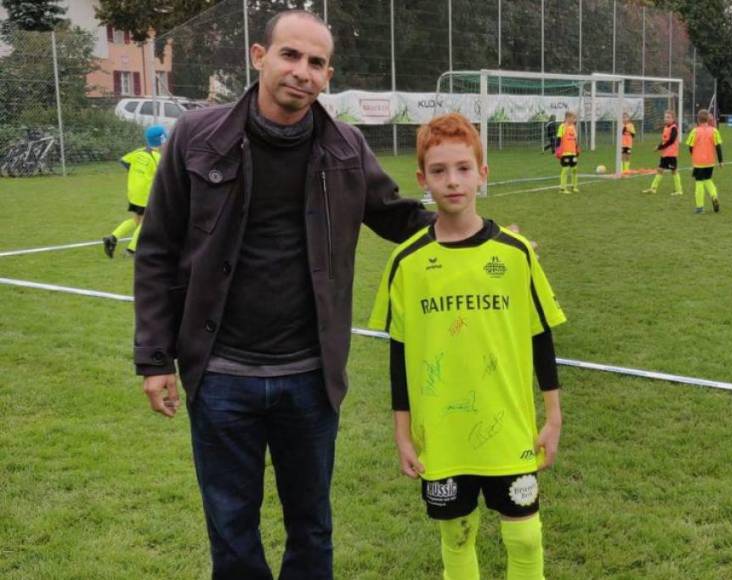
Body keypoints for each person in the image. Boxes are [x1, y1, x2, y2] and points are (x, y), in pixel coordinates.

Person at [133, 10, 438, 578]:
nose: (302, 71)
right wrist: (154, 358)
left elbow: (398, 217)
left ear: (328, 76)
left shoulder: (345, 147)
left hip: (310, 379)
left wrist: (479, 234)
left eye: (316, 63)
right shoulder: (196, 137)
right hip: (220, 375)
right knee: (231, 530)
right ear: (259, 56)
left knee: (312, 527)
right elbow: (156, 249)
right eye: (290, 55)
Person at [369, 112, 565, 580]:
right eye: (439, 171)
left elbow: (541, 336)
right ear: (422, 180)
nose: (452, 181)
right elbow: (399, 356)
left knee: (525, 536)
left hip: (509, 426)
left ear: (482, 174)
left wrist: (553, 416)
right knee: (457, 536)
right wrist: (402, 433)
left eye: (463, 168)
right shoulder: (406, 262)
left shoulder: (515, 254)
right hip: (442, 432)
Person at [102, 125, 166, 258]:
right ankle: (131, 250)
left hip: (133, 193)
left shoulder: (138, 151)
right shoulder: (158, 157)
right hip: (146, 195)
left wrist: (137, 174)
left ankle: (112, 237)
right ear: (162, 140)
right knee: (145, 222)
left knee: (137, 220)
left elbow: (123, 161)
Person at [686, 109, 723, 213]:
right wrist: (721, 161)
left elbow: (690, 146)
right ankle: (714, 196)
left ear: (698, 119)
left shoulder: (695, 131)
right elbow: (718, 147)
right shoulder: (714, 131)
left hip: (698, 162)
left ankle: (700, 207)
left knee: (699, 182)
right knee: (708, 179)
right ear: (708, 119)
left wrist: (693, 155)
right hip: (710, 161)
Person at [641, 110, 682, 196]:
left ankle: (679, 190)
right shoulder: (666, 127)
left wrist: (660, 147)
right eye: (665, 117)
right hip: (665, 154)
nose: (666, 119)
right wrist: (658, 146)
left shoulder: (674, 128)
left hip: (671, 154)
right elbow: (664, 140)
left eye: (668, 117)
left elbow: (671, 141)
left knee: (674, 171)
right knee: (660, 170)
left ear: (673, 119)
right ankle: (653, 189)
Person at [556, 111, 580, 194]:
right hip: (565, 152)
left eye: (574, 118)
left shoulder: (573, 127)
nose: (574, 120)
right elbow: (558, 138)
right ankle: (562, 188)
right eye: (573, 118)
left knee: (574, 169)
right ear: (567, 118)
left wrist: (577, 148)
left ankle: (574, 187)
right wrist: (558, 149)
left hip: (573, 152)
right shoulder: (562, 127)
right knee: (565, 169)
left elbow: (575, 139)